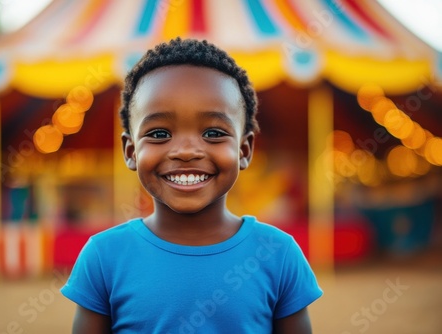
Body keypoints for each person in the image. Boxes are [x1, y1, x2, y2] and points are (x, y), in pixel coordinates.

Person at [61, 37, 322, 333]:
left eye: (213, 132)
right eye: (159, 133)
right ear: (131, 152)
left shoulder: (278, 254)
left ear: (244, 150)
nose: (186, 151)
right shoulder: (104, 256)